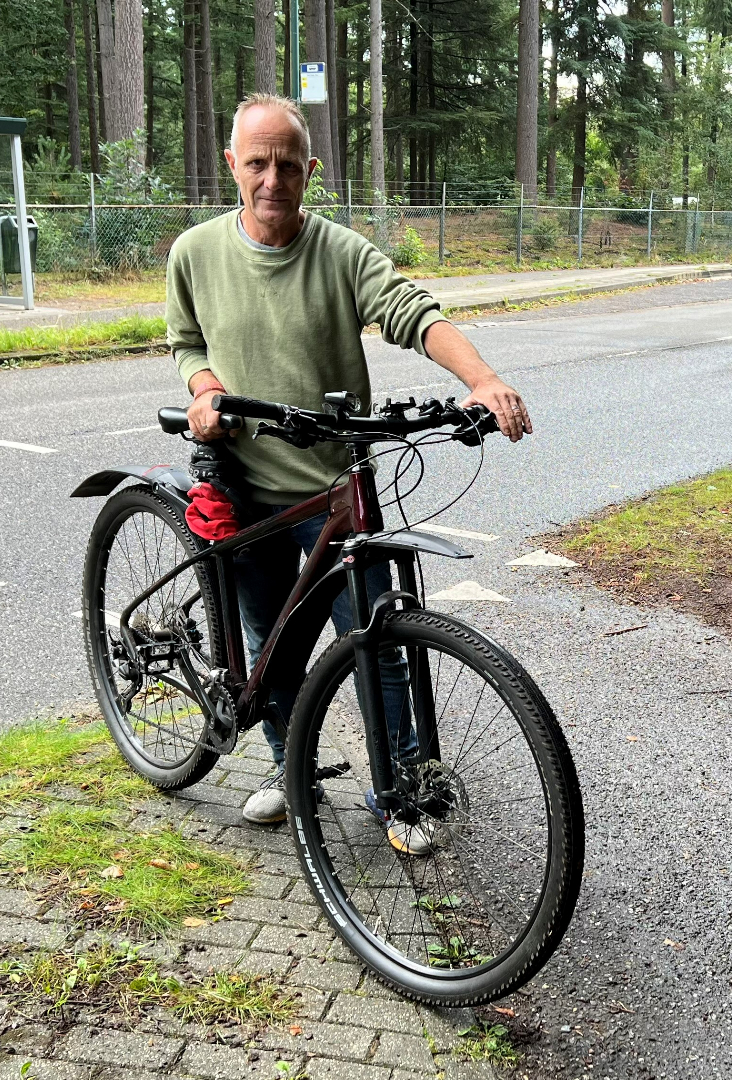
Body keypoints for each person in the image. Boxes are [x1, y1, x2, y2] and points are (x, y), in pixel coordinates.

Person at [166, 93, 531, 854]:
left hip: (335, 483)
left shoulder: (341, 252)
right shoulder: (194, 252)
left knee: (377, 643)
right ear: (231, 164)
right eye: (257, 163)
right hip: (245, 485)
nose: (272, 179)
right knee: (270, 643)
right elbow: (186, 340)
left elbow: (411, 311)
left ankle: (399, 793)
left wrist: (482, 379)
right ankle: (287, 767)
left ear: (311, 170)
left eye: (288, 164)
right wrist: (203, 390)